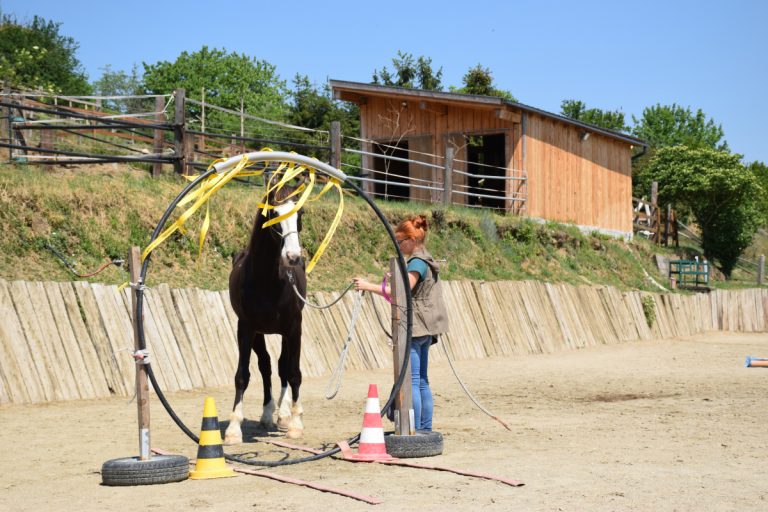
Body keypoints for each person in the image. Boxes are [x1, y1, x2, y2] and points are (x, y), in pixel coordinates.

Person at [353, 214, 449, 432]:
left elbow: (401, 293)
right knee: (422, 380)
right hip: (426, 327)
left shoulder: (416, 262)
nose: (398, 245)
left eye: (400, 241)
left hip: (416, 326)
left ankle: (414, 428)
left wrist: (368, 286)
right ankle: (425, 428)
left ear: (412, 240)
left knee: (414, 380)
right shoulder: (425, 259)